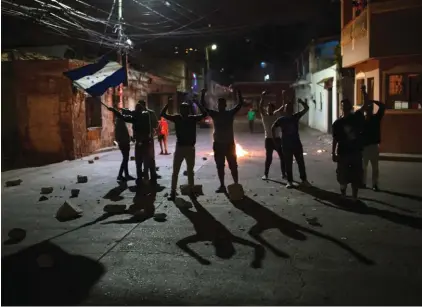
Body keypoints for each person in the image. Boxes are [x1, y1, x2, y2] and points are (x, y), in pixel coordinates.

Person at [161, 89, 208, 200]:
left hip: (185, 148)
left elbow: (163, 114)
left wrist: (168, 104)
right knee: (183, 171)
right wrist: (197, 103)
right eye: (182, 109)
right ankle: (179, 192)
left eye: (185, 109)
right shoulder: (187, 118)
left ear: (187, 110)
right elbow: (204, 114)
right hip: (185, 148)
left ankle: (176, 192)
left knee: (180, 172)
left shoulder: (182, 118)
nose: (183, 111)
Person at [107, 100, 158, 187]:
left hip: (142, 142)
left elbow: (125, 116)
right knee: (144, 160)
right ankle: (146, 178)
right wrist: (115, 110)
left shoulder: (140, 116)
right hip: (146, 141)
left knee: (141, 161)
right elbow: (126, 115)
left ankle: (143, 178)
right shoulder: (145, 115)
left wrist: (114, 110)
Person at [202, 90, 244, 193]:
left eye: (221, 104)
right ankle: (223, 185)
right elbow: (203, 106)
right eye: (219, 104)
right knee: (221, 166)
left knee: (232, 165)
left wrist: (239, 94)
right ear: (219, 105)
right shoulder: (218, 114)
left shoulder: (227, 114)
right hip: (220, 144)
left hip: (227, 144)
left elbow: (240, 104)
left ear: (224, 105)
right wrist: (203, 95)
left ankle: (235, 184)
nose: (220, 105)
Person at [332, 91, 368, 201]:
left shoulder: (356, 117)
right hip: (343, 152)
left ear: (350, 107)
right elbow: (335, 139)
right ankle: (343, 194)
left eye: (347, 105)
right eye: (343, 105)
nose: (345, 107)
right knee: (342, 175)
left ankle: (354, 196)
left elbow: (365, 105)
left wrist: (364, 93)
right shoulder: (337, 123)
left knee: (356, 175)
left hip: (355, 151)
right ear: (341, 107)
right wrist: (333, 152)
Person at [271, 98, 310, 189]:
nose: (288, 109)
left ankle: (304, 180)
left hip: (296, 144)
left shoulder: (295, 116)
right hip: (286, 145)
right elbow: (273, 127)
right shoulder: (281, 119)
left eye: (290, 107)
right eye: (287, 108)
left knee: (300, 162)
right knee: (288, 164)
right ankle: (289, 181)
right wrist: (275, 140)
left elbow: (306, 108)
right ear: (284, 110)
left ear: (292, 109)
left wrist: (301, 102)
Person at [259, 90, 286, 180]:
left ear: (273, 109)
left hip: (277, 139)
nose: (268, 109)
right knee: (269, 158)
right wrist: (262, 97)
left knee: (282, 157)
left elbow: (283, 106)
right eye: (268, 108)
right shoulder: (265, 116)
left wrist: (283, 96)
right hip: (269, 139)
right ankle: (266, 174)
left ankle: (284, 174)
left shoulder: (276, 114)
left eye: (270, 108)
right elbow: (260, 107)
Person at [362, 93, 385, 191]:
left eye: (370, 109)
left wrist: (372, 101)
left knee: (375, 168)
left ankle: (374, 184)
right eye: (367, 110)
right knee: (364, 167)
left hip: (374, 146)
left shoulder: (376, 118)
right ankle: (363, 183)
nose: (368, 111)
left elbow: (383, 106)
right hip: (365, 146)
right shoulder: (362, 120)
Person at [114, 108, 136, 182]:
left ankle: (125, 175)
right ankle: (121, 175)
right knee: (125, 159)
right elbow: (119, 134)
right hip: (123, 143)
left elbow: (124, 133)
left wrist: (130, 138)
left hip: (124, 141)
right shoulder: (120, 121)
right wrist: (121, 141)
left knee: (125, 159)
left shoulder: (120, 121)